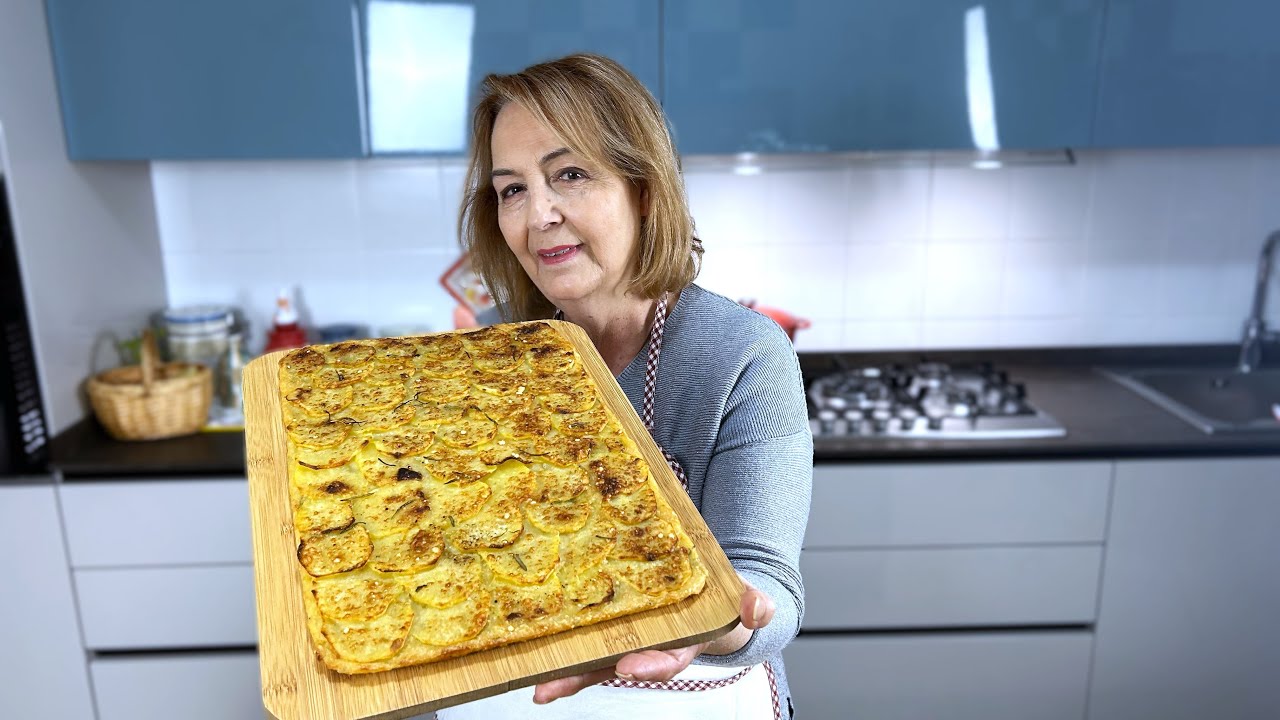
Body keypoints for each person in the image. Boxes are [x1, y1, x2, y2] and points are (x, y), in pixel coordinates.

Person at [443, 53, 812, 719]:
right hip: (519, 699)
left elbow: (770, 589)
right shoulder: (487, 354)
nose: (539, 215)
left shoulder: (743, 355)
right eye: (512, 189)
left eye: (571, 175)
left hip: (696, 691)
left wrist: (716, 621)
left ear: (642, 189)